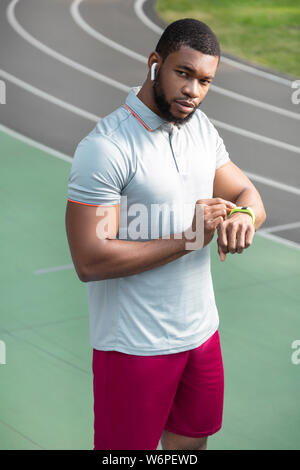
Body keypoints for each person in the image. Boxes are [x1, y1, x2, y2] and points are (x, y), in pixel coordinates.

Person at [65, 18, 266, 451]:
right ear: (156, 64)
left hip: (201, 334)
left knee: (190, 448)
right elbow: (89, 259)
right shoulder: (106, 148)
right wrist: (189, 238)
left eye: (205, 81)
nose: (193, 91)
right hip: (133, 347)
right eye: (184, 73)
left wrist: (243, 216)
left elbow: (247, 193)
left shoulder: (201, 129)